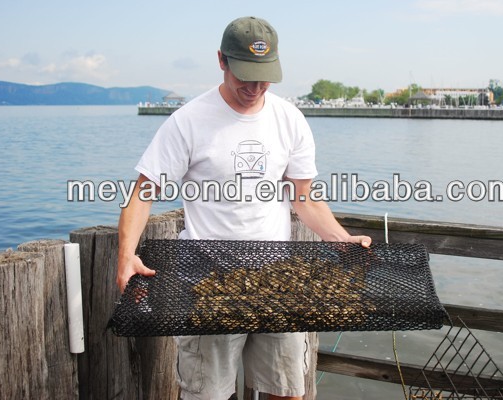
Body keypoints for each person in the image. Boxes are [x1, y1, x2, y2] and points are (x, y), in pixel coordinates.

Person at [116, 16, 371, 400]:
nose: (254, 87)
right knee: (208, 395)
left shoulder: (290, 119)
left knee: (287, 392)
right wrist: (125, 255)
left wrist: (340, 238)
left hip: (277, 279)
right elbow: (143, 192)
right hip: (205, 280)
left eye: (264, 77)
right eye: (245, 76)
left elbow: (304, 196)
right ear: (222, 61)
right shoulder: (187, 122)